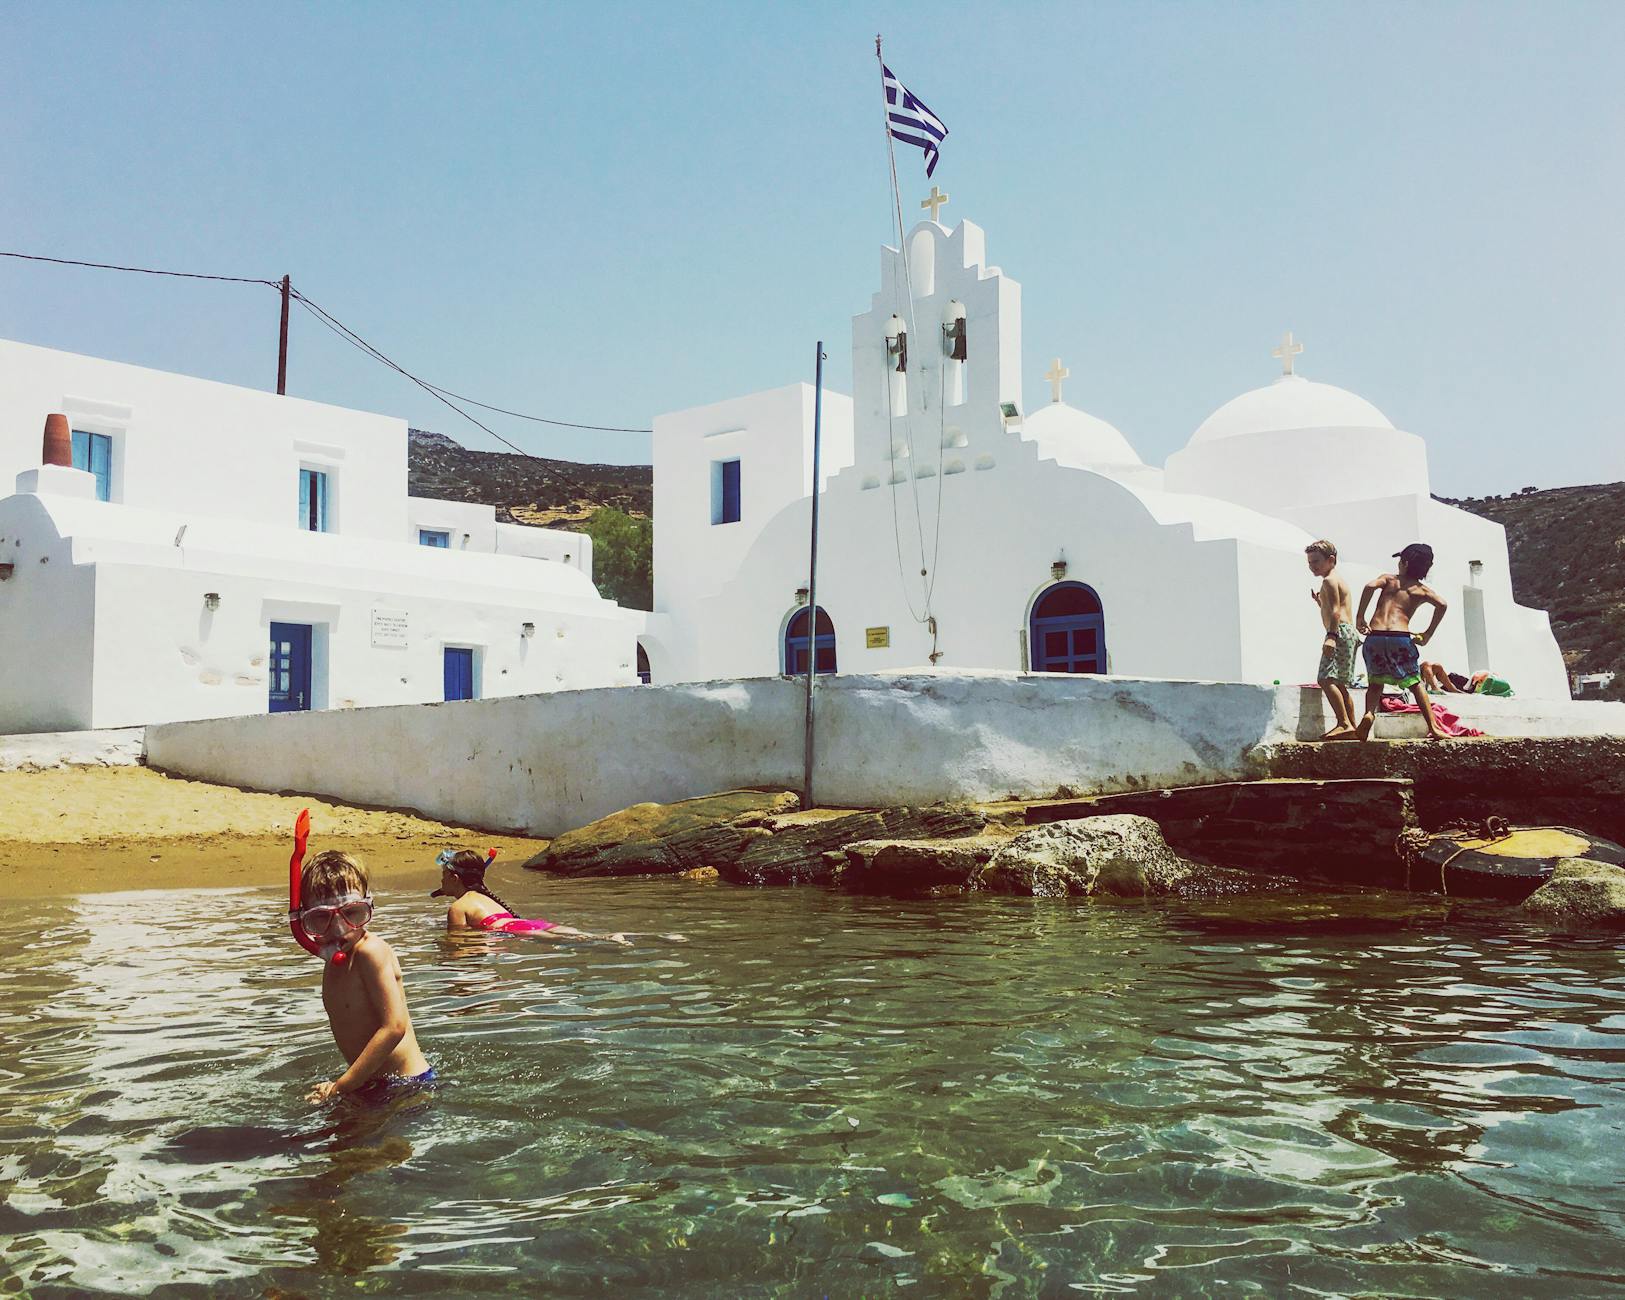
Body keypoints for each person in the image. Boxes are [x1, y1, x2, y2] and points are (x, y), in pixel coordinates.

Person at [297, 850, 434, 1105]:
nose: (340, 930)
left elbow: (394, 1027)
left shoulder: (371, 952)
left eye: (353, 914)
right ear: (304, 921)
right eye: (321, 919)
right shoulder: (335, 962)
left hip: (405, 1086)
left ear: (369, 905)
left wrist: (341, 1086)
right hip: (369, 1083)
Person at [1353, 543, 1451, 741]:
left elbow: (1369, 586)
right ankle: (1433, 726)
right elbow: (1442, 604)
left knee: (1375, 682)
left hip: (1375, 636)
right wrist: (1428, 633)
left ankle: (1369, 714)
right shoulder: (1422, 590)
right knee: (1415, 683)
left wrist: (1360, 616)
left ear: (1404, 563)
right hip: (1400, 637)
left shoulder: (1389, 579)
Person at [432, 848, 628, 943]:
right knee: (582, 936)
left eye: (443, 876)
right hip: (530, 923)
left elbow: (457, 945)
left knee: (576, 942)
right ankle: (609, 936)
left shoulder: (458, 907)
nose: (441, 882)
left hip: (514, 931)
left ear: (455, 878)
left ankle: (605, 939)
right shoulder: (486, 897)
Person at [1305, 539, 1359, 739]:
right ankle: (1352, 725)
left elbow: (1336, 612)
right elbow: (1335, 609)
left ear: (1331, 560)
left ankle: (1343, 723)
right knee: (1339, 682)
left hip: (1339, 632)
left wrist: (1331, 636)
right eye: (1310, 562)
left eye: (1316, 561)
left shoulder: (1329, 580)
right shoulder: (1338, 580)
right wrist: (1321, 602)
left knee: (1325, 679)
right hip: (1347, 631)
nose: (1312, 566)